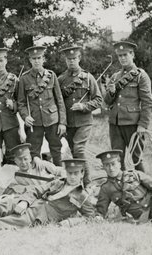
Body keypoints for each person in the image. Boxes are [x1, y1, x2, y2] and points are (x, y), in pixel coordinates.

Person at [0, 158, 96, 232]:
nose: (72, 176)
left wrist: (70, 223)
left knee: (3, 222)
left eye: (76, 173)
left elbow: (93, 217)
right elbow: (35, 190)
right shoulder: (58, 182)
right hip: (29, 203)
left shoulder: (82, 196)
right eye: (70, 173)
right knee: (1, 205)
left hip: (38, 216)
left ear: (82, 174)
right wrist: (24, 202)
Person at [104, 41, 152, 171]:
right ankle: (121, 188)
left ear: (132, 55)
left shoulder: (141, 76)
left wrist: (143, 125)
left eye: (125, 55)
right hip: (115, 124)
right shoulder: (115, 77)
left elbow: (148, 102)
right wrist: (110, 92)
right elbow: (107, 101)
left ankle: (144, 188)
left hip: (133, 124)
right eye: (120, 56)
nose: (122, 58)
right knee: (116, 160)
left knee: (136, 159)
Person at [58, 45, 103, 186]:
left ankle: (87, 182)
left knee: (79, 149)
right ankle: (78, 183)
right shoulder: (60, 80)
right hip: (69, 123)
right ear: (66, 60)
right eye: (68, 59)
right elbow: (58, 102)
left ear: (79, 58)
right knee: (74, 152)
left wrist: (83, 106)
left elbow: (98, 100)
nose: (71, 61)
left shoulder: (88, 78)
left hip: (84, 121)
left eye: (74, 58)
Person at [0, 144, 62, 211]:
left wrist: (37, 159)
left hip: (51, 192)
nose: (23, 162)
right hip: (5, 197)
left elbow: (60, 171)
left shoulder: (10, 169)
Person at [17, 46, 66, 166]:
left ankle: (59, 175)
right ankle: (38, 178)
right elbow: (21, 103)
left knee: (56, 149)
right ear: (30, 60)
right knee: (34, 151)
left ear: (43, 59)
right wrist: (25, 117)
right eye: (34, 58)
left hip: (52, 120)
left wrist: (62, 122)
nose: (36, 61)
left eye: (39, 58)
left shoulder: (51, 75)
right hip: (34, 122)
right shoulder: (24, 78)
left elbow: (60, 100)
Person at [95, 150, 152, 223]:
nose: (111, 168)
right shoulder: (105, 188)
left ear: (119, 165)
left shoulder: (135, 174)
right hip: (143, 215)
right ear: (103, 167)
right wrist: (98, 217)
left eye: (113, 164)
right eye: (107, 165)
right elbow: (101, 210)